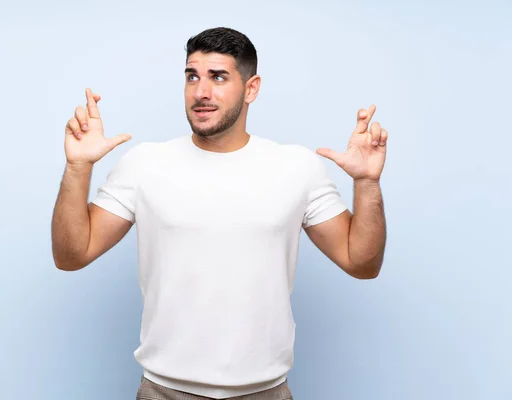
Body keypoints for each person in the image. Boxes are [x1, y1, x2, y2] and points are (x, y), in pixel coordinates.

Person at [51, 27, 387, 400]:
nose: (201, 92)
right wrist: (78, 167)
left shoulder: (297, 168)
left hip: (266, 392)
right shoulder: (145, 164)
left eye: (218, 77)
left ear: (251, 89)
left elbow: (362, 263)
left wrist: (367, 183)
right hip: (164, 391)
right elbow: (71, 255)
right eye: (192, 76)